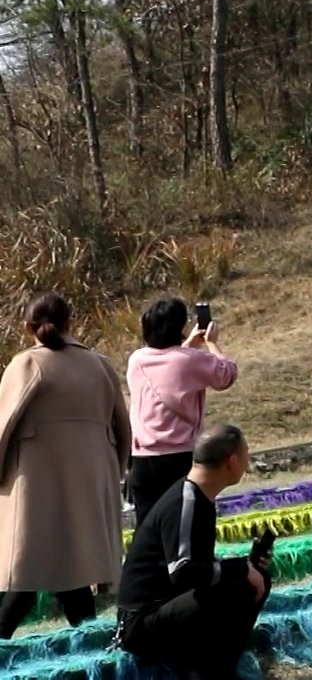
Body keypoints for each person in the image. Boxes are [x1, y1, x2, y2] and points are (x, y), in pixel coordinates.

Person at [0, 291, 133, 638]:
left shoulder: (27, 364)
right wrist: (112, 474)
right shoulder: (100, 365)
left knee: (25, 571)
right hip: (89, 480)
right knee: (73, 569)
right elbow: (123, 427)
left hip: (35, 483)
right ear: (69, 321)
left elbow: (3, 427)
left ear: (27, 326)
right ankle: (92, 645)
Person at [117, 424, 271, 679]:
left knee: (255, 578)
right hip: (140, 623)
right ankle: (206, 670)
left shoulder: (199, 496)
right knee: (238, 587)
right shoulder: (185, 500)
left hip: (167, 606)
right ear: (232, 461)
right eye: (246, 455)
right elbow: (183, 571)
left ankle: (218, 666)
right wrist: (240, 568)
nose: (247, 464)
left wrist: (247, 564)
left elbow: (198, 566)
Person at [126, 298, 239, 527]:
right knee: (184, 524)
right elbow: (226, 374)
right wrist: (212, 343)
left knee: (148, 528)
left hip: (141, 458)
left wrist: (188, 344)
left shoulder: (136, 360)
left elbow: (169, 363)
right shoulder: (190, 361)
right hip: (179, 456)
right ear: (178, 327)